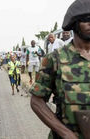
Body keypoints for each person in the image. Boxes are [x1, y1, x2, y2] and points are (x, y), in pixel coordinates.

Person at [30, 0, 90, 138]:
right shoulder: (55, 59)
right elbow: (37, 101)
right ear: (74, 24)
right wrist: (65, 133)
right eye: (87, 19)